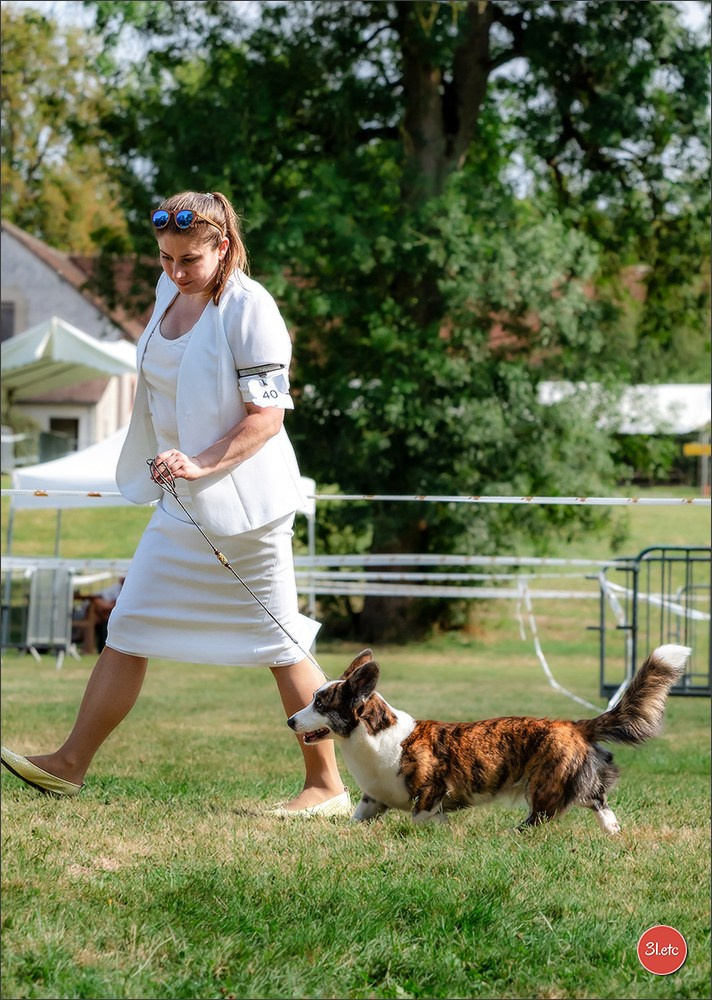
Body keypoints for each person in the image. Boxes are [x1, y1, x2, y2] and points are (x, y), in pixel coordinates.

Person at [1, 191, 350, 818]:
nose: (175, 271)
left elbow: (267, 418)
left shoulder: (252, 309)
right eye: (165, 258)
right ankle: (70, 763)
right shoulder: (169, 293)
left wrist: (201, 461)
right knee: (127, 628)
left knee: (282, 645)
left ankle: (325, 785)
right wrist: (179, 466)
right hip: (181, 506)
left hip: (248, 511)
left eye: (189, 258)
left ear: (223, 246)